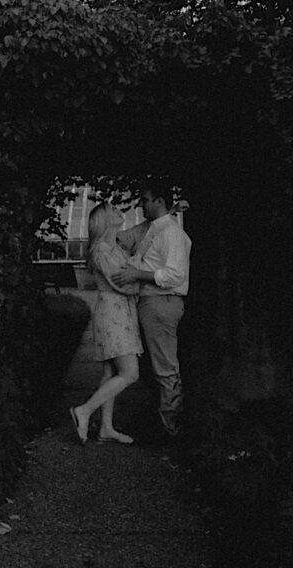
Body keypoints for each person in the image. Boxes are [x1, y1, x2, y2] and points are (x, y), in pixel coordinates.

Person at [113, 183, 191, 437]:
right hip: (153, 302)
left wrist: (138, 274)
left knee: (165, 367)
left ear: (158, 201)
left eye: (146, 200)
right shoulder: (156, 229)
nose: (141, 205)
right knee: (156, 365)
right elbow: (129, 239)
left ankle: (171, 429)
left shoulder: (171, 234)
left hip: (162, 300)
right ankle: (163, 423)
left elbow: (174, 275)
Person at [69, 202, 142, 445]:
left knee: (111, 372)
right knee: (130, 372)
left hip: (120, 312)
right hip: (114, 314)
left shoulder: (113, 245)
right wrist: (143, 281)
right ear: (103, 220)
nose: (118, 211)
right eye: (112, 211)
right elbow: (123, 283)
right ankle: (84, 411)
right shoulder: (101, 250)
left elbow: (142, 232)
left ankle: (106, 428)